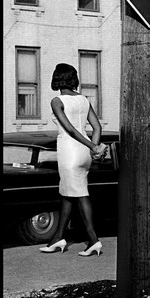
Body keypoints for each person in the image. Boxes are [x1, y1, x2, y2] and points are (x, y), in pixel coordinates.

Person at [38, 63, 108, 257]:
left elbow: (68, 129)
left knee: (80, 193)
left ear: (57, 79)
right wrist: (92, 148)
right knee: (68, 192)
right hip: (84, 152)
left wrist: (93, 147)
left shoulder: (57, 100)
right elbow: (97, 128)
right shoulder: (84, 100)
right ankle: (58, 238)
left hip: (69, 150)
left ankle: (94, 240)